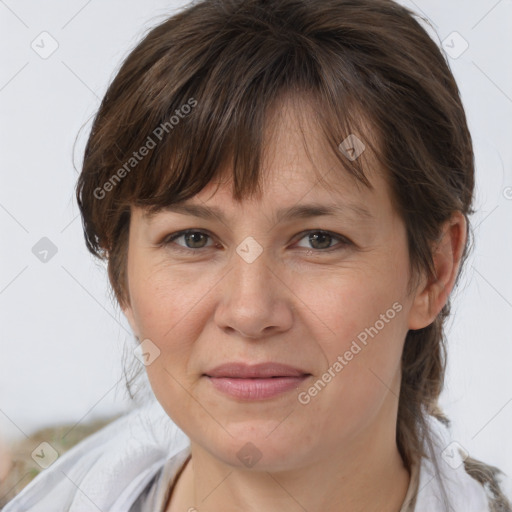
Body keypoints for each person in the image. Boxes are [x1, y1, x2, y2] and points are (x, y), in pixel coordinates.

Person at [4, 0, 511, 510]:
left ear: (432, 272)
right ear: (123, 280)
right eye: (194, 239)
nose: (249, 313)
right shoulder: (28, 481)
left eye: (319, 239)